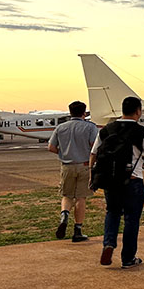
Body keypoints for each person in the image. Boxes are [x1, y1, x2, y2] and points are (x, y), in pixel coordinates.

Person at [89, 96, 144, 268]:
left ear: (122, 110)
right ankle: (128, 258)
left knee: (112, 213)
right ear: (138, 111)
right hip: (133, 181)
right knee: (131, 219)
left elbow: (93, 154)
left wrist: (94, 176)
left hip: (111, 181)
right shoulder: (142, 131)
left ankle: (109, 243)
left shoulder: (106, 130)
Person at [48, 100, 98, 242]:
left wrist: (63, 153)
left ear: (70, 112)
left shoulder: (61, 127)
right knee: (81, 197)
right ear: (84, 112)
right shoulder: (90, 127)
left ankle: (64, 215)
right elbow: (94, 147)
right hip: (84, 165)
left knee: (67, 195)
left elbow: (51, 147)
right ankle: (78, 230)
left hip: (67, 165)